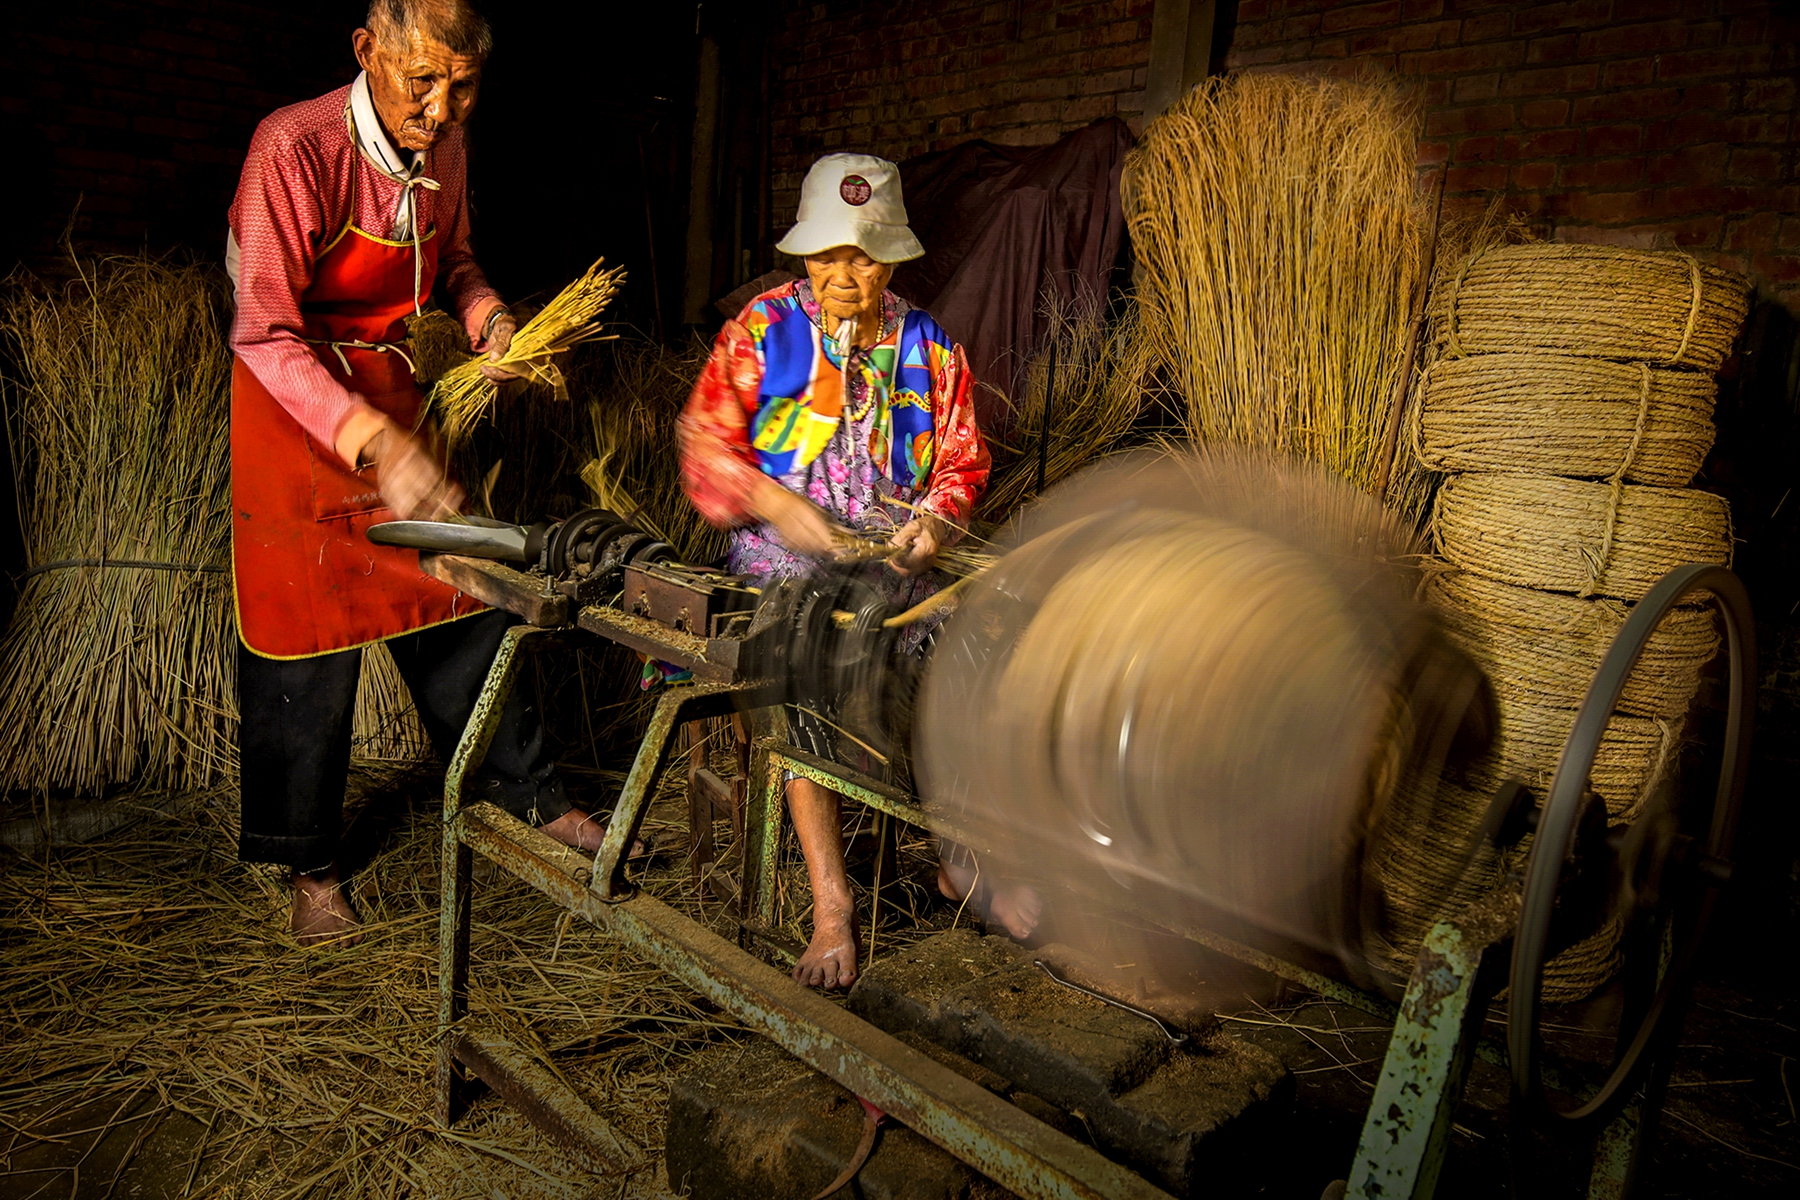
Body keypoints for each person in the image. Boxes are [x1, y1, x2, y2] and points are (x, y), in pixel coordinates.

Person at [227, 0, 610, 947]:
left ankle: (529, 797)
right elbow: (262, 331)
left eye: (465, 87)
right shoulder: (293, 147)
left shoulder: (445, 154)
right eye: (422, 81)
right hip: (292, 410)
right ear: (367, 53)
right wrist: (369, 441)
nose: (441, 112)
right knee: (302, 644)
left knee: (458, 597)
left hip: (392, 394)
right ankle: (309, 867)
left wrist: (492, 325)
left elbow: (459, 263)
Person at [680, 153, 1035, 989]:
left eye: (864, 255)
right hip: (785, 560)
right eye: (828, 254)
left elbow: (961, 463)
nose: (845, 273)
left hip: (894, 557)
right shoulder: (764, 331)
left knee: (975, 656)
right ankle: (831, 904)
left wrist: (935, 526)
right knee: (812, 666)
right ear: (805, 254)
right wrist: (775, 503)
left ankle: (961, 858)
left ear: (896, 256)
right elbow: (703, 443)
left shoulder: (931, 346)